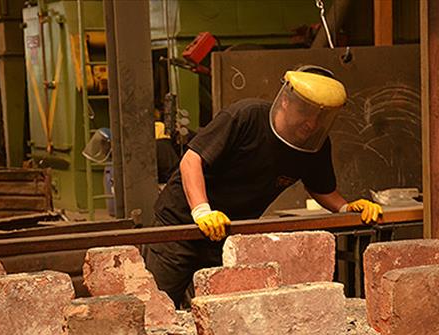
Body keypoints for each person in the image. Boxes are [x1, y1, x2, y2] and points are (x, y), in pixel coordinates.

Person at [143, 65, 383, 307]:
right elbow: (191, 160)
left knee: (220, 309)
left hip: (227, 234)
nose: (311, 123)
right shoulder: (245, 116)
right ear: (286, 101)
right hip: (180, 226)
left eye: (320, 116)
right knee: (160, 308)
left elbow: (320, 187)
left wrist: (345, 208)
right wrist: (202, 210)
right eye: (305, 111)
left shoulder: (314, 143)